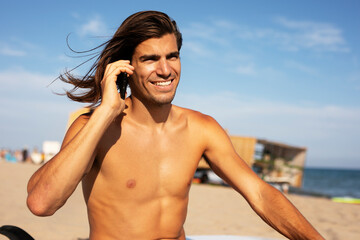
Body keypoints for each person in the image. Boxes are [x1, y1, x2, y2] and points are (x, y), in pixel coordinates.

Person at [27, 11, 324, 240]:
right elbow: (42, 203)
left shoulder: (201, 128)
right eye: (150, 59)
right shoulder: (94, 127)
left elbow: (260, 194)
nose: (166, 70)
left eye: (172, 56)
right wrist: (106, 112)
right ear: (126, 67)